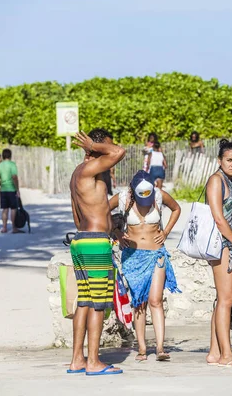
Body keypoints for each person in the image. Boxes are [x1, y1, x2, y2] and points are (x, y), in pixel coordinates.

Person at [68, 128, 126, 376]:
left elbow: (77, 216)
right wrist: (96, 146)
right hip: (95, 244)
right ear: (95, 148)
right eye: (105, 147)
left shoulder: (78, 174)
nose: (109, 155)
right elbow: (119, 151)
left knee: (84, 302)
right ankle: (93, 362)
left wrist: (107, 219)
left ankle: (77, 360)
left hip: (81, 240)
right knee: (98, 304)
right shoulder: (89, 169)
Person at [109, 170, 182, 362]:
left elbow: (176, 209)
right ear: (132, 190)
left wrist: (165, 232)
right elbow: (101, 212)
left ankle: (159, 348)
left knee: (155, 300)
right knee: (139, 303)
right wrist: (116, 233)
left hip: (156, 252)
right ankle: (142, 348)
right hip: (132, 256)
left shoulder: (158, 195)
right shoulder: (123, 198)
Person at [205, 139, 232, 368]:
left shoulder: (230, 181)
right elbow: (219, 218)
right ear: (220, 160)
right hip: (221, 246)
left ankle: (215, 351)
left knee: (223, 300)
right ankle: (226, 355)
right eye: (229, 160)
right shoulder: (216, 180)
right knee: (226, 300)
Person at [0, 149, 21, 234]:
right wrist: (17, 189)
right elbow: (14, 177)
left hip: (3, 189)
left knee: (5, 209)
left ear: (3, 155)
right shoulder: (12, 164)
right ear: (10, 155)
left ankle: (4, 227)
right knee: (13, 208)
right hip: (11, 189)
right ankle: (14, 227)